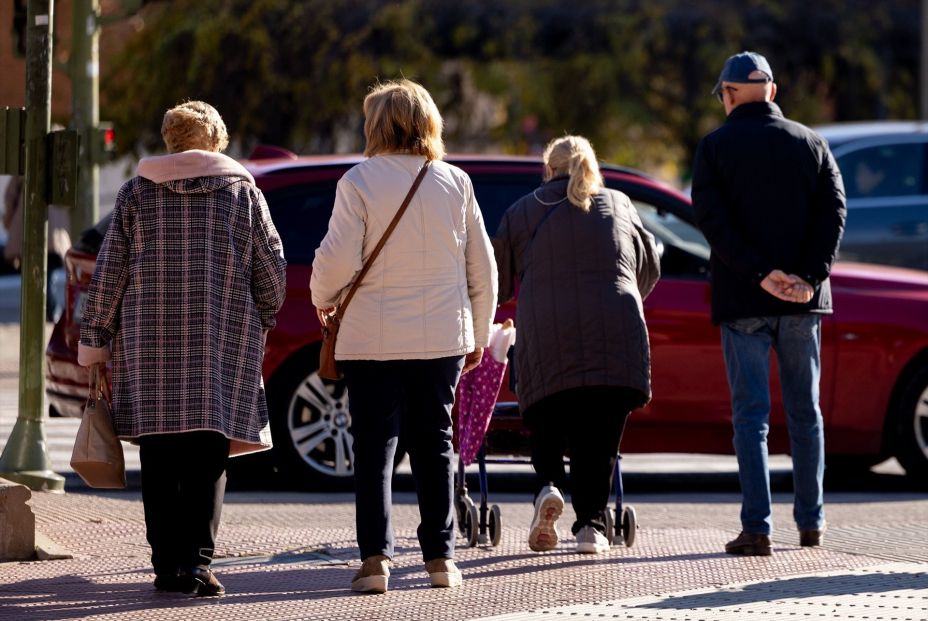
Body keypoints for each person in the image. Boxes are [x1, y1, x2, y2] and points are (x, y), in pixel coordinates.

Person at [78, 101, 287, 595]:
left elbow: (109, 276)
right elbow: (272, 272)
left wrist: (96, 342)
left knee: (158, 453)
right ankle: (198, 561)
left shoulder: (135, 195)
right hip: (221, 343)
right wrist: (264, 315)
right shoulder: (244, 195)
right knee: (208, 451)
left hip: (148, 349)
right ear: (217, 141)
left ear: (170, 140)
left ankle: (166, 563)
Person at [310, 79, 497, 593]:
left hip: (370, 339)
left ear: (376, 125)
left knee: (374, 447)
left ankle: (375, 561)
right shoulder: (455, 182)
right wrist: (477, 334)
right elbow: (482, 268)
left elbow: (337, 259)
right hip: (441, 338)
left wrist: (320, 296)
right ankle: (441, 559)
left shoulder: (359, 181)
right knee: (436, 445)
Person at [691, 51, 847, 556]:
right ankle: (811, 523)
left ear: (731, 94)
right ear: (773, 92)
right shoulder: (813, 143)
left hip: (744, 300)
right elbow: (835, 213)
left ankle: (757, 528)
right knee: (807, 413)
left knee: (751, 418)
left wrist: (762, 275)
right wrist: (808, 275)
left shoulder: (714, 148)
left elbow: (714, 224)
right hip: (804, 302)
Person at [493, 135, 661, 555]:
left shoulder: (523, 210)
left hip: (547, 335)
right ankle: (591, 526)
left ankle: (549, 485)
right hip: (617, 335)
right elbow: (650, 268)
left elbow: (497, 281)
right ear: (591, 166)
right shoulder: (619, 204)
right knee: (599, 441)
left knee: (548, 416)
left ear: (548, 169)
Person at [3, 171, 72, 321]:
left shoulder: (24, 169)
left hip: (31, 232)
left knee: (34, 277)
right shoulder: (60, 170)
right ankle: (50, 311)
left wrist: (9, 221)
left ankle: (45, 312)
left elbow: (10, 198)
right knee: (49, 276)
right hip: (54, 234)